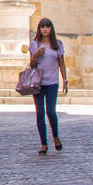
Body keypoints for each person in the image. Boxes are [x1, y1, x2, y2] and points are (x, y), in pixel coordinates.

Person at [28, 18, 67, 154]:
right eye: (42, 27)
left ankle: (55, 136)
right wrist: (36, 55)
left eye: (47, 27)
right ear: (39, 29)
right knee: (39, 113)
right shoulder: (34, 44)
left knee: (51, 111)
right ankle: (44, 143)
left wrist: (65, 79)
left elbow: (61, 63)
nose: (45, 29)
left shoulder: (57, 44)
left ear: (51, 29)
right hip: (38, 82)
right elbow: (31, 65)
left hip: (52, 82)